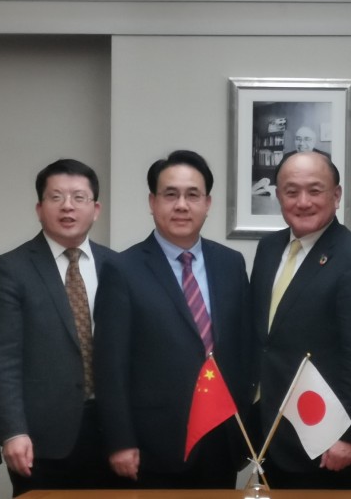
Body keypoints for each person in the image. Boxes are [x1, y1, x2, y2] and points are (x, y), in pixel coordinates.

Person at [94, 150, 251, 488]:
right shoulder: (122, 270)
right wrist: (121, 441)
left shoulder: (231, 263)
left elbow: (243, 349)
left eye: (192, 195)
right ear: (152, 202)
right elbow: (110, 366)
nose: (182, 205)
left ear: (207, 203)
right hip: (154, 445)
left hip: (221, 437)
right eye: (170, 195)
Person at [0, 159, 122, 493]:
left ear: (96, 209)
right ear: (39, 208)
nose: (67, 206)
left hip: (111, 433)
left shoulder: (117, 265)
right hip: (41, 437)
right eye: (56, 197)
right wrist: (13, 431)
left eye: (79, 197)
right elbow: (2, 359)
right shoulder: (11, 269)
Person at [251, 150, 351, 489]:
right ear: (278, 196)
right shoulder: (268, 249)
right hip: (269, 429)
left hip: (325, 436)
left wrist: (347, 435)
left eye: (315, 190)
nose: (303, 201)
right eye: (291, 191)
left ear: (336, 195)